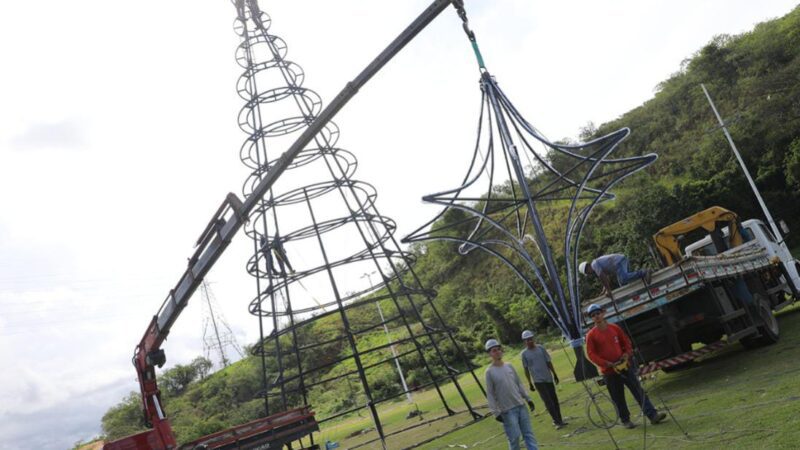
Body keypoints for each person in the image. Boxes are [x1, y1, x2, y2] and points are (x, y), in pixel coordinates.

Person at [584, 304, 667, 429]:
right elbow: (591, 354)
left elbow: (626, 342)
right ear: (592, 318)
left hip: (624, 366)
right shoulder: (591, 335)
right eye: (593, 315)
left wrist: (626, 355)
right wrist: (607, 363)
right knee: (618, 397)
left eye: (598, 313)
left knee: (638, 391)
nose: (597, 316)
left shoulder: (614, 328)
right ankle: (625, 420)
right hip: (609, 371)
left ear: (603, 313)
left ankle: (653, 415)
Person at [484, 338, 539, 450]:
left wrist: (528, 399)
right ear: (489, 354)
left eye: (498, 349)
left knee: (528, 435)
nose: (497, 352)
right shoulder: (489, 372)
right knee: (514, 439)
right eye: (494, 350)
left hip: (520, 405)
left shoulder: (509, 366)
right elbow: (490, 394)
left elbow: (519, 384)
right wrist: (496, 412)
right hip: (507, 411)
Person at [520, 330, 567, 429]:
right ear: (524, 342)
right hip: (538, 381)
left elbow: (548, 362)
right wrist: (530, 383)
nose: (529, 341)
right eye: (527, 340)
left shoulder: (541, 348)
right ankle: (556, 421)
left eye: (530, 339)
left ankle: (560, 419)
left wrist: (555, 374)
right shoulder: (524, 354)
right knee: (548, 401)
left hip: (548, 378)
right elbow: (526, 369)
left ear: (533, 338)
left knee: (554, 400)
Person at [579, 254, 651, 296]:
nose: (590, 274)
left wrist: (608, 290)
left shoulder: (594, 265)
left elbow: (602, 277)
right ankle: (639, 292)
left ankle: (644, 272)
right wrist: (604, 290)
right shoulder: (597, 265)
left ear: (587, 268)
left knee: (623, 279)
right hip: (620, 262)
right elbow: (607, 278)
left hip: (619, 262)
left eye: (588, 272)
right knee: (623, 285)